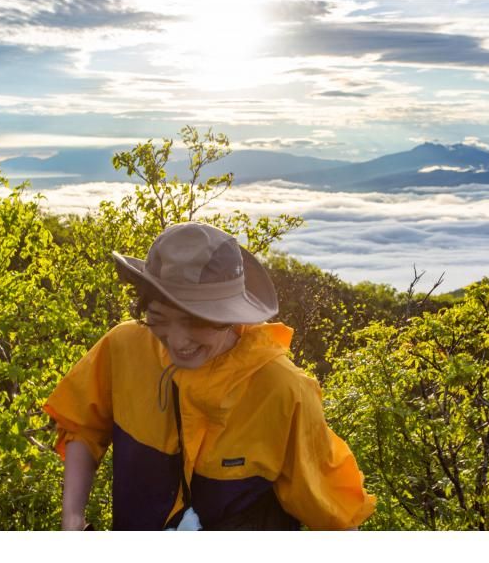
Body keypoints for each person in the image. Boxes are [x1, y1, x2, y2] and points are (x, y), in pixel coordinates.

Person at [43, 221, 376, 530]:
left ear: (230, 316)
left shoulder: (282, 390)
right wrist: (72, 518)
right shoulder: (125, 346)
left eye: (196, 321)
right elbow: (82, 427)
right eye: (158, 318)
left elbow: (332, 513)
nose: (176, 341)